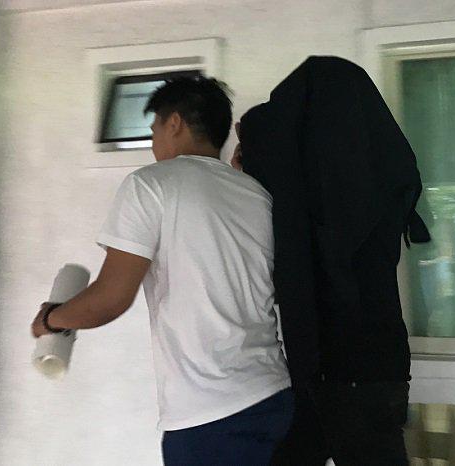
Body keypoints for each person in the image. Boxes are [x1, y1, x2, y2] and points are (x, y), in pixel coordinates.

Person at [31, 76, 294, 466]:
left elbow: (110, 299)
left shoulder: (150, 185)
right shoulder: (255, 192)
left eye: (154, 130)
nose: (154, 143)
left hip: (211, 414)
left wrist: (50, 320)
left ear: (174, 123)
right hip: (275, 397)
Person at [233, 56, 431, 466]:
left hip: (332, 367)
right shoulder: (374, 182)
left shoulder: (316, 204)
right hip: (369, 364)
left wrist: (248, 162)